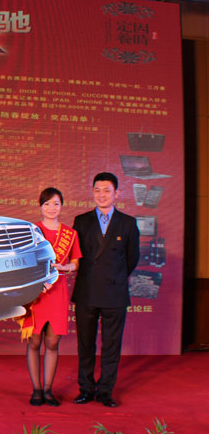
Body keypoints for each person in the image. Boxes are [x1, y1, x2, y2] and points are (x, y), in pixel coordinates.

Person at [72, 172, 140, 408]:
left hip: (115, 292)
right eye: (97, 190)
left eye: (107, 190)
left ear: (116, 193)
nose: (102, 195)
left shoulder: (128, 223)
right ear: (92, 192)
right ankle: (86, 389)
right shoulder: (81, 221)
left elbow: (132, 258)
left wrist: (115, 277)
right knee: (85, 344)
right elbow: (76, 255)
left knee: (112, 346)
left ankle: (105, 391)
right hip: (87, 291)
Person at [19, 188, 81, 407]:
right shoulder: (32, 231)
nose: (51, 208)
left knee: (53, 342)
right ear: (40, 206)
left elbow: (75, 262)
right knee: (35, 341)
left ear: (61, 206)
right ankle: (36, 389)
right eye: (47, 204)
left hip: (58, 291)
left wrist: (66, 267)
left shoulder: (70, 234)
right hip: (37, 292)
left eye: (56, 203)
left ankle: (48, 390)